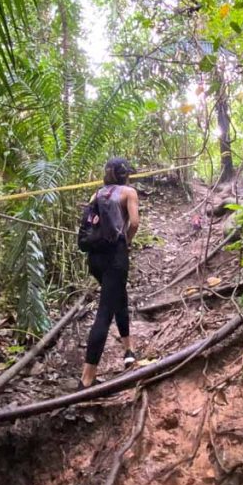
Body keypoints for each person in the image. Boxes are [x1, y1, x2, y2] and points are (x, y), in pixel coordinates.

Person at [80, 157, 140, 389]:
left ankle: (128, 350)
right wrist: (127, 242)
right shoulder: (128, 192)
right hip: (115, 256)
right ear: (125, 174)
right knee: (105, 312)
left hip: (95, 258)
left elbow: (88, 225)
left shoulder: (97, 194)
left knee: (118, 298)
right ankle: (87, 379)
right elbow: (134, 223)